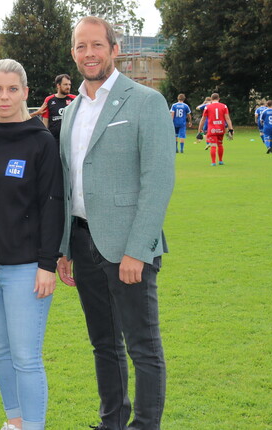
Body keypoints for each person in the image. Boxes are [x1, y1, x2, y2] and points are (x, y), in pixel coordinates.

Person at [56, 16, 175, 430]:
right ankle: (111, 422)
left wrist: (137, 251)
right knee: (103, 345)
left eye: (96, 45)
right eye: (81, 47)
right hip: (85, 245)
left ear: (114, 49)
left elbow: (157, 181)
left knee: (142, 347)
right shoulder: (70, 112)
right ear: (73, 53)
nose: (89, 54)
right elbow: (70, 185)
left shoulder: (145, 101)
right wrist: (67, 247)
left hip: (129, 249)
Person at [0, 58, 64, 430]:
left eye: (12, 89)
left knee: (25, 356)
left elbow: (52, 206)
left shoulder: (42, 143)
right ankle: (14, 422)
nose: (4, 97)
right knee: (1, 351)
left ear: (25, 92)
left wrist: (47, 264)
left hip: (26, 269)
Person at [35, 74, 76, 142]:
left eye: (69, 84)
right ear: (58, 85)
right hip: (54, 140)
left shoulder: (74, 99)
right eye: (65, 84)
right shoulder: (49, 100)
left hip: (69, 140)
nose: (68, 87)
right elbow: (45, 122)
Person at [196, 93, 233, 166]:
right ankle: (221, 161)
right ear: (219, 99)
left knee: (213, 145)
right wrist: (231, 129)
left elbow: (203, 119)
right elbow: (227, 118)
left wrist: (199, 130)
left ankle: (213, 162)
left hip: (212, 129)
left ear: (211, 99)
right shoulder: (224, 106)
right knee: (220, 144)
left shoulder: (207, 107)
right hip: (221, 128)